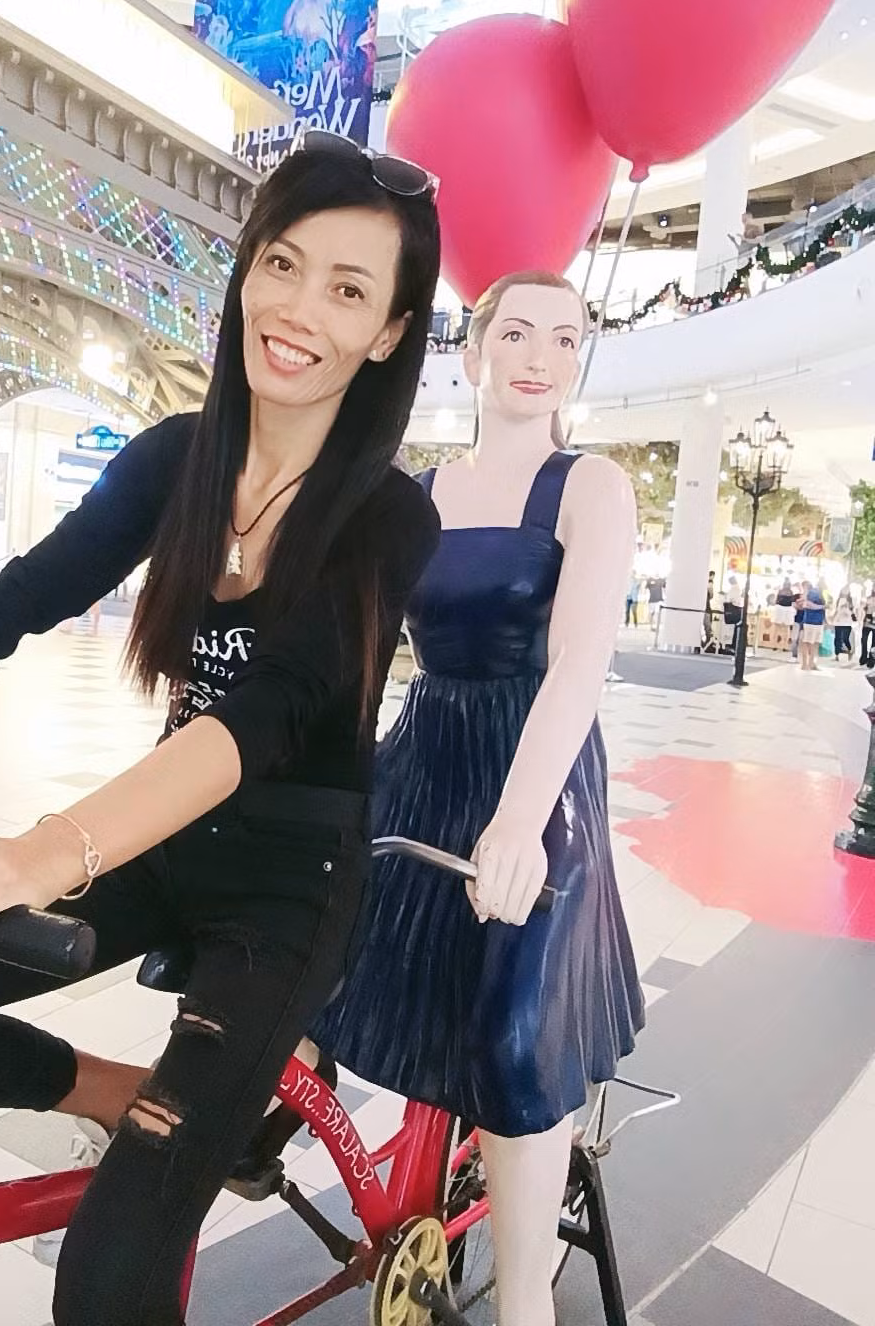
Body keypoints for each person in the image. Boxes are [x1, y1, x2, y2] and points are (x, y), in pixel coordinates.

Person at [0, 135, 442, 1326]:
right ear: (248, 267)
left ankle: (186, 1124)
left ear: (390, 332)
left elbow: (260, 719)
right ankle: (118, 1094)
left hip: (290, 888)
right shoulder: (176, 461)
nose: (299, 311)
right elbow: (10, 603)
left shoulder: (389, 517)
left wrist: (33, 856)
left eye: (349, 291)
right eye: (283, 264)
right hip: (160, 844)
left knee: (108, 1285)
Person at [312, 271, 644, 1326]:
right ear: (474, 351)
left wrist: (518, 819)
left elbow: (579, 663)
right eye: (518, 332)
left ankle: (525, 1302)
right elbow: (361, 647)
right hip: (428, 753)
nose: (540, 355)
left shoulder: (592, 486)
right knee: (302, 943)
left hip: (536, 769)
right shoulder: (416, 494)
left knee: (512, 1035)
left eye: (565, 337)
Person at [799, 578, 828, 671]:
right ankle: (806, 664)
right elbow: (808, 604)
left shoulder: (820, 593)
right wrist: (823, 607)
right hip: (811, 621)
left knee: (814, 643)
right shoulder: (814, 592)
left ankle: (810, 663)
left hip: (816, 621)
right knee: (809, 642)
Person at [771, 577, 797, 652]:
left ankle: (774, 645)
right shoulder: (791, 592)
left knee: (776, 628)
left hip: (779, 609)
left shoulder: (780, 591)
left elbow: (775, 601)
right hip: (788, 609)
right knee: (786, 629)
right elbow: (793, 603)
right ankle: (784, 646)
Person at [832, 588, 857, 662]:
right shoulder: (838, 600)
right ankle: (837, 655)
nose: (845, 592)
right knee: (837, 639)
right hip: (838, 623)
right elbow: (836, 610)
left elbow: (853, 612)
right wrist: (834, 618)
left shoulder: (851, 601)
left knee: (846, 639)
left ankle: (849, 652)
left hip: (847, 623)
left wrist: (847, 610)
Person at [860, 587, 875, 669]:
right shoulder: (868, 598)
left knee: (874, 643)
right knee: (864, 640)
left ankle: (871, 660)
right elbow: (864, 608)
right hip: (867, 621)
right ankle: (864, 657)